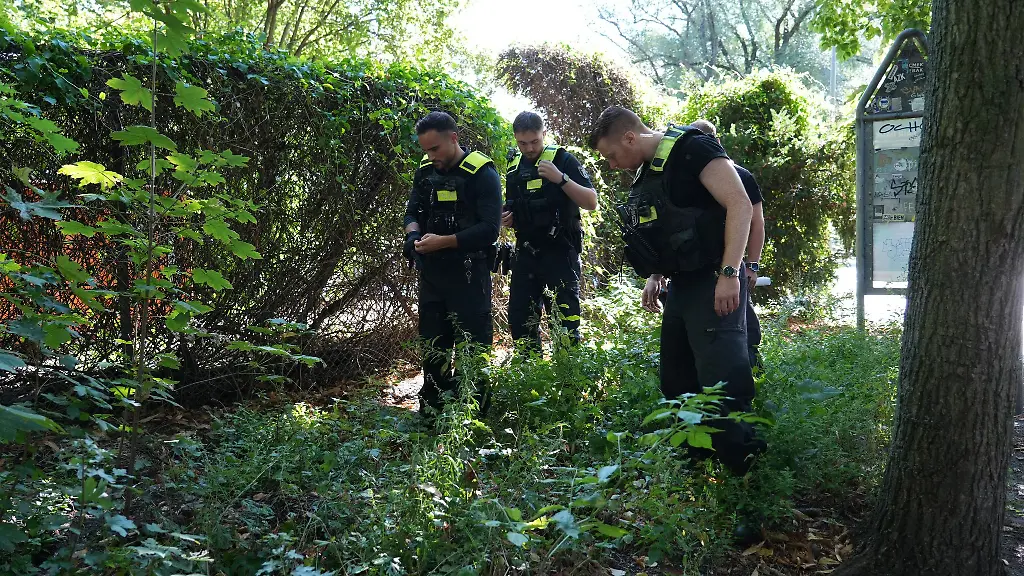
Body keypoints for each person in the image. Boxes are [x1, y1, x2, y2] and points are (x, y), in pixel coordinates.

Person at [588, 106, 766, 475]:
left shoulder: (692, 149)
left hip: (715, 284)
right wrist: (655, 274)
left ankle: (743, 479)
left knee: (724, 385)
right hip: (681, 289)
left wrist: (731, 272)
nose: (611, 163)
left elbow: (740, 205)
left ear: (629, 137)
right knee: (677, 381)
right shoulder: (651, 171)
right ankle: (697, 472)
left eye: (611, 155)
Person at [403, 111, 502, 418]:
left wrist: (443, 241)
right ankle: (432, 414)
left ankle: (473, 418)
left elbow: (489, 229)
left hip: (470, 275)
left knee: (473, 349)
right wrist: (414, 237)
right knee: (434, 346)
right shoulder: (425, 172)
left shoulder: (482, 173)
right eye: (425, 150)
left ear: (454, 139)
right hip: (433, 276)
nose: (430, 156)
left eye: (435, 149)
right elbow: (412, 211)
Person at [502, 111, 598, 352]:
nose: (529, 148)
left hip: (560, 252)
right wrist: (508, 218)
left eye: (534, 141)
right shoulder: (514, 168)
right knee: (521, 322)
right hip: (526, 254)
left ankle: (568, 384)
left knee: (565, 325)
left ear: (544, 134)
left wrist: (561, 179)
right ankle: (531, 380)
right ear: (515, 139)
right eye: (522, 143)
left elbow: (591, 201)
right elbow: (513, 207)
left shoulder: (563, 160)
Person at [689, 119, 766, 371]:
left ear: (716, 143)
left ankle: (750, 372)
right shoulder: (687, 180)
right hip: (697, 266)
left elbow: (757, 223)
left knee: (740, 326)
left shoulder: (741, 176)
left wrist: (751, 266)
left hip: (731, 265)